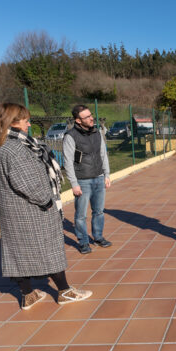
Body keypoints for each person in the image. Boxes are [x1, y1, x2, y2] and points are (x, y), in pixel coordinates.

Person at [0, 103, 92, 310]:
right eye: (25, 119)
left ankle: (28, 295)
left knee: (19, 252)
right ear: (13, 121)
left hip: (14, 210)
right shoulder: (14, 147)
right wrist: (47, 201)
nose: (28, 123)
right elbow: (26, 183)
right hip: (31, 209)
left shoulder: (2, 143)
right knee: (49, 249)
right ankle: (64, 291)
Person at [63, 105, 112, 254]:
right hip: (82, 181)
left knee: (99, 211)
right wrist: (74, 183)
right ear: (78, 120)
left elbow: (103, 154)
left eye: (91, 116)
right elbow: (68, 161)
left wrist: (107, 174)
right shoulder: (70, 136)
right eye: (87, 117)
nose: (91, 119)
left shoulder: (97, 132)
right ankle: (83, 242)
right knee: (81, 215)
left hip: (98, 178)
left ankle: (98, 237)